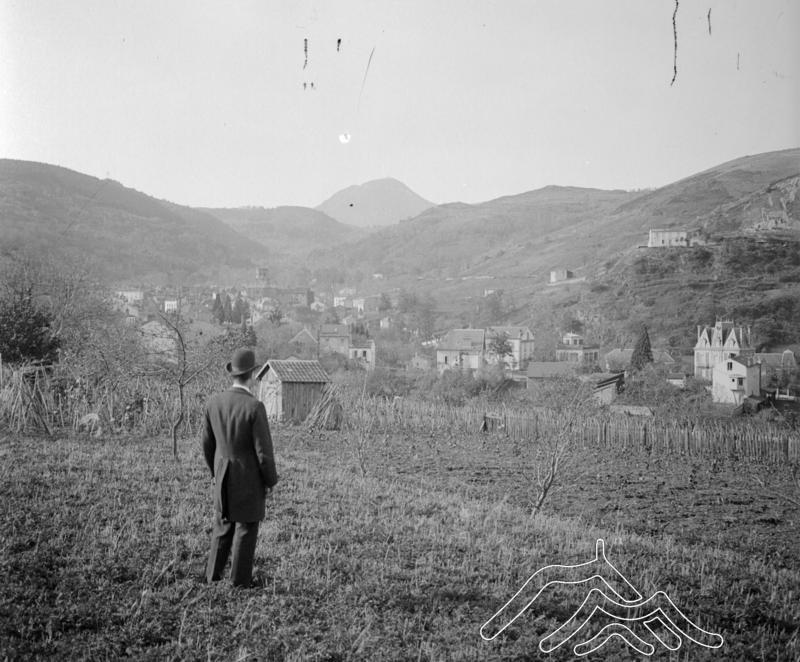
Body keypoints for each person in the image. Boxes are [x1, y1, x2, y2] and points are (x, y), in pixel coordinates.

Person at [202, 347, 278, 587]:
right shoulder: (255, 407)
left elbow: (207, 445)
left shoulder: (213, 403)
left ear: (233, 374)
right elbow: (263, 453)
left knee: (223, 526)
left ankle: (212, 577)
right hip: (248, 480)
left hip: (222, 475)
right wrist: (271, 481)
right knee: (245, 529)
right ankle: (239, 583)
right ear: (252, 375)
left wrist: (215, 473)